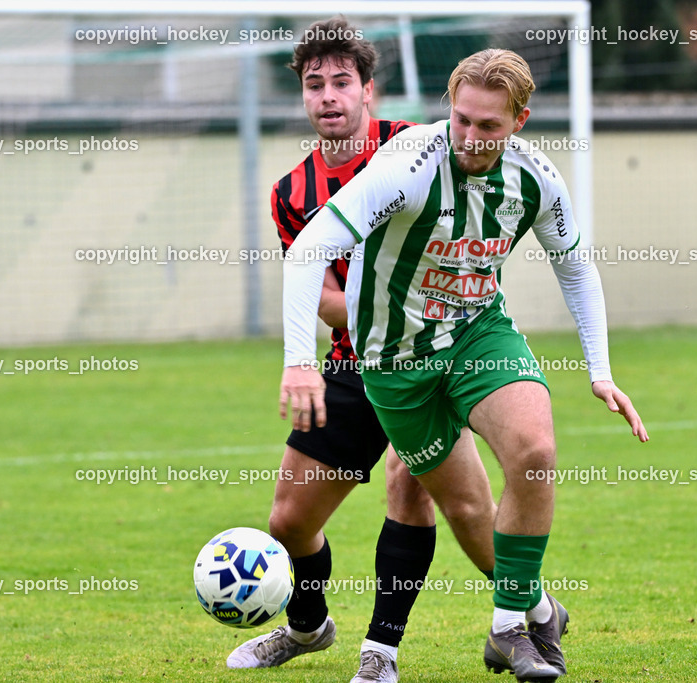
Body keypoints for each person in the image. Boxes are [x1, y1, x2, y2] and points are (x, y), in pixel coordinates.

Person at [280, 48, 649, 682]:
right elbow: (308, 250)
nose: (472, 138)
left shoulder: (537, 177)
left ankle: (509, 630)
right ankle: (538, 610)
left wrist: (601, 370)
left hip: (480, 334)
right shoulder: (405, 166)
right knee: (467, 512)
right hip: (393, 361)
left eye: (489, 126)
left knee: (534, 451)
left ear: (520, 120)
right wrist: (300, 362)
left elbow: (575, 265)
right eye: (462, 121)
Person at [227, 18, 499, 683]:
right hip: (354, 360)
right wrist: (366, 318)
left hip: (433, 353)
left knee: (411, 488)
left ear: (368, 91)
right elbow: (317, 289)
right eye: (314, 85)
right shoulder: (291, 193)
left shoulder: (414, 148)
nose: (327, 96)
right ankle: (306, 623)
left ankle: (382, 654)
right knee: (289, 518)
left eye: (341, 82)